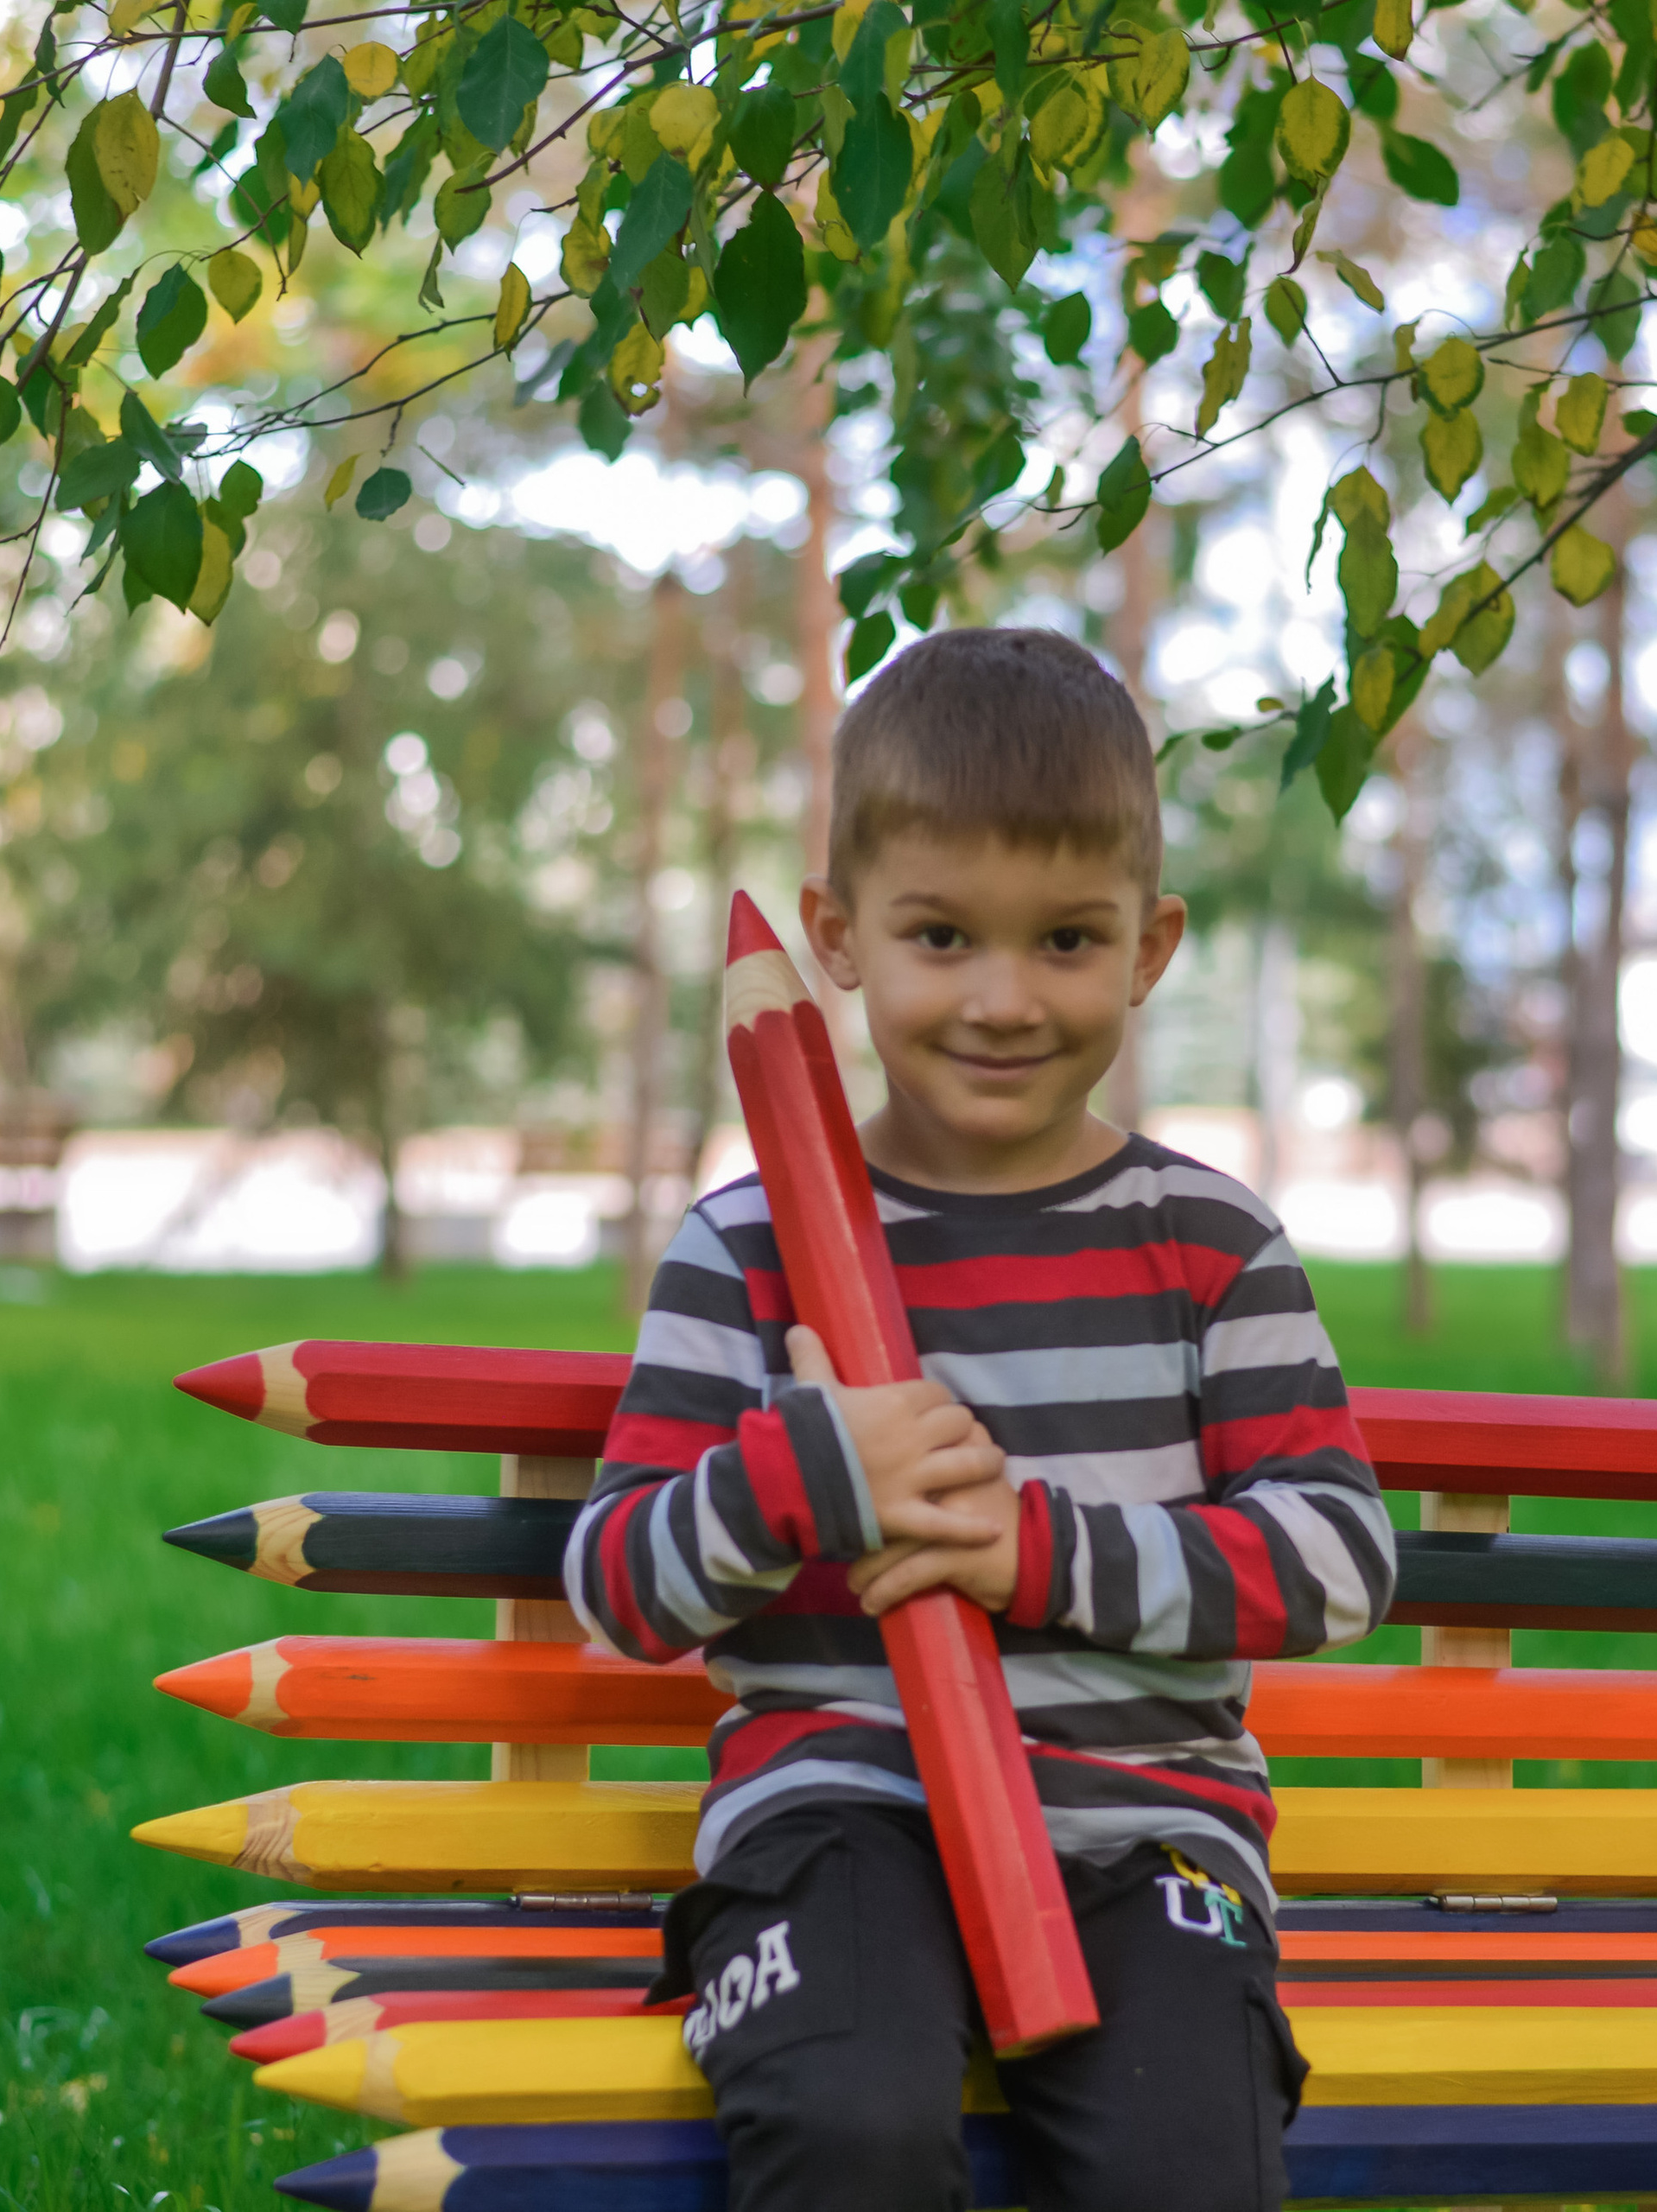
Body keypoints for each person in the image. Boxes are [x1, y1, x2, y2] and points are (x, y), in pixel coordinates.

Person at [565, 626, 1396, 2212]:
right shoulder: (745, 1250)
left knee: (1188, 2172)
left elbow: (1339, 1562)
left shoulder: (1207, 1246)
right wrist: (810, 1470)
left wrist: (1034, 1552)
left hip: (1150, 1830)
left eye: (1067, 942)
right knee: (849, 2130)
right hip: (837, 1816)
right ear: (840, 935)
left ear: (1152, 948)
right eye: (942, 936)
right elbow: (618, 1587)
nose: (1005, 1001)